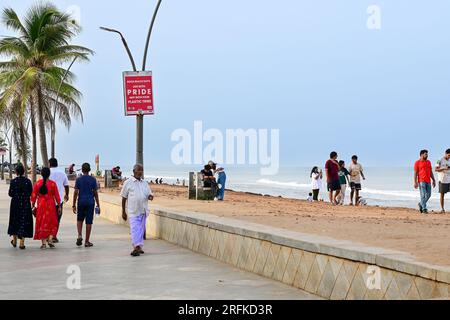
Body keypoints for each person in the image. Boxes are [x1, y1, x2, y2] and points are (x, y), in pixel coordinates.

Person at [121, 164, 154, 257]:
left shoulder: (144, 183)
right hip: (133, 211)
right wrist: (123, 211)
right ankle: (136, 247)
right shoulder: (128, 182)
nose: (140, 172)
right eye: (138, 170)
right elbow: (123, 197)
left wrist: (150, 196)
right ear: (134, 171)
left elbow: (149, 194)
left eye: (141, 170)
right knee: (135, 229)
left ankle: (139, 247)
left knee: (140, 230)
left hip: (143, 210)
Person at [31, 167, 61, 249]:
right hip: (50, 205)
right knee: (52, 222)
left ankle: (43, 243)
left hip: (41, 205)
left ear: (41, 174)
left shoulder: (37, 183)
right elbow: (57, 196)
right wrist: (59, 206)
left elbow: (33, 195)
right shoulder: (53, 184)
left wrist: (33, 205)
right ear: (49, 174)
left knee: (41, 222)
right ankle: (50, 239)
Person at [72, 163, 100, 247]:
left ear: (82, 169)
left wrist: (73, 205)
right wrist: (98, 204)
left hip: (81, 202)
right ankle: (87, 241)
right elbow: (95, 193)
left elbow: (76, 192)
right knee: (89, 222)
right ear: (89, 170)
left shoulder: (78, 179)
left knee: (79, 220)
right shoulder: (93, 179)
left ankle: (80, 235)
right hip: (90, 202)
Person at [8, 164, 33, 249]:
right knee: (24, 221)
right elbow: (30, 193)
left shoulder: (13, 181)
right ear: (24, 172)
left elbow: (10, 194)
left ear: (16, 172)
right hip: (25, 203)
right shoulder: (28, 181)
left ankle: (14, 241)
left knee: (15, 220)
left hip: (15, 204)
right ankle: (22, 243)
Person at [49, 157, 69, 243]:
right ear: (57, 164)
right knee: (57, 219)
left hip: (48, 200)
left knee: (49, 218)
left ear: (49, 164)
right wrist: (66, 195)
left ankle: (48, 235)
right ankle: (54, 236)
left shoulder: (48, 172)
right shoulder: (62, 173)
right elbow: (66, 185)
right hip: (59, 200)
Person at [414, 149, 436, 214]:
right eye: (426, 154)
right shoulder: (417, 162)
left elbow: (431, 172)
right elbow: (415, 173)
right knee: (423, 195)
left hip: (428, 181)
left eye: (427, 154)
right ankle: (424, 209)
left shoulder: (428, 162)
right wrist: (415, 182)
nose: (427, 155)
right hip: (421, 181)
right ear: (421, 155)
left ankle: (420, 204)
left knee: (429, 195)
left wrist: (434, 180)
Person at [435, 148, 450, 213]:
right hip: (442, 180)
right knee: (442, 194)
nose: (449, 157)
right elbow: (436, 169)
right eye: (449, 155)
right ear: (445, 153)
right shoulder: (439, 160)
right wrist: (444, 168)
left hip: (449, 179)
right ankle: (442, 209)